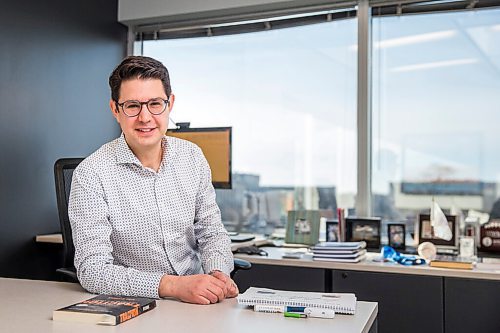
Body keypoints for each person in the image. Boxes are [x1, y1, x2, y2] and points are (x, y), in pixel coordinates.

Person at [68, 56, 238, 305]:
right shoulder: (91, 174)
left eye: (155, 104)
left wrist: (218, 274)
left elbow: (211, 232)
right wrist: (173, 285)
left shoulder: (192, 157)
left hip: (200, 305)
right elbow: (92, 270)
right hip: (137, 305)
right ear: (116, 110)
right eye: (133, 106)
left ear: (170, 104)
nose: (145, 117)